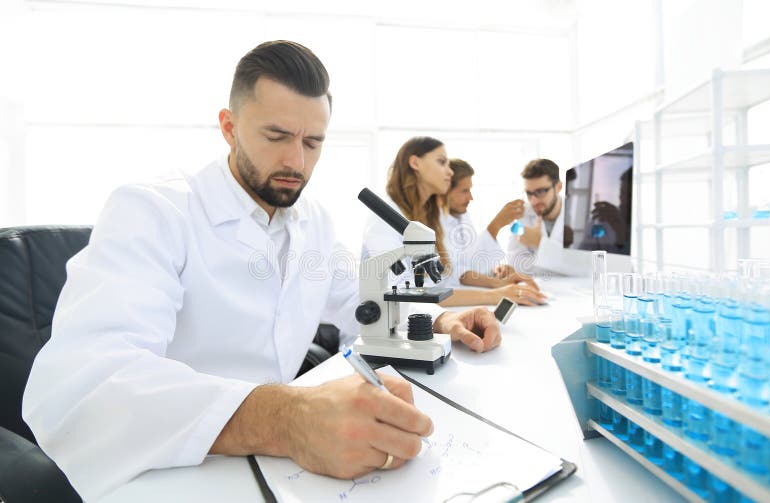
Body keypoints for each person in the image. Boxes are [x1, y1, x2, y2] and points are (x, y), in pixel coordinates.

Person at [21, 41, 501, 500]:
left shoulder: (314, 220)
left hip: (286, 467)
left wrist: (438, 321)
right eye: (276, 136)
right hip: (177, 467)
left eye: (313, 142)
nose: (297, 161)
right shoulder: (153, 210)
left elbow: (361, 304)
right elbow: (79, 386)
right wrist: (285, 420)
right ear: (229, 127)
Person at [362, 137, 544, 307]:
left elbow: (448, 275)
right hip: (387, 322)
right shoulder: (385, 217)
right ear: (415, 163)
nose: (449, 171)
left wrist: (497, 285)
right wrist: (496, 294)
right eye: (442, 162)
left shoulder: (427, 216)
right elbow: (402, 293)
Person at [442, 158, 541, 292]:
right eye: (464, 191)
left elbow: (471, 262)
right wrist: (496, 225)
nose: (471, 197)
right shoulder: (431, 222)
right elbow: (455, 271)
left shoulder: (461, 214)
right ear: (444, 190)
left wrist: (495, 270)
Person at [506, 158, 565, 276]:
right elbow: (516, 265)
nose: (534, 200)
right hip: (537, 290)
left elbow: (586, 264)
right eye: (529, 193)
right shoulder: (522, 216)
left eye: (541, 191)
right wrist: (561, 261)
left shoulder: (578, 214)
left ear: (558, 187)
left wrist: (539, 243)